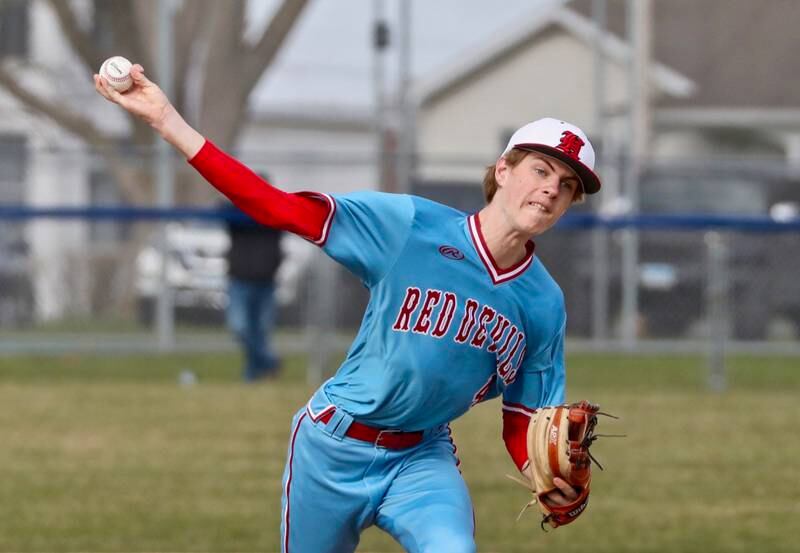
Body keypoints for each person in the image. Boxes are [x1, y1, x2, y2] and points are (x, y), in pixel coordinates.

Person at [95, 64, 602, 553]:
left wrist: (550, 479)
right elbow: (275, 206)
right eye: (541, 170)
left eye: (567, 186)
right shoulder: (409, 225)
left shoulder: (543, 302)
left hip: (421, 457)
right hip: (331, 446)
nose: (551, 189)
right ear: (503, 169)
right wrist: (166, 120)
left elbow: (526, 419)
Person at [222, 198, 283, 381]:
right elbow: (222, 210)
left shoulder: (275, 212)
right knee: (240, 327)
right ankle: (269, 361)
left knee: (261, 330)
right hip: (240, 280)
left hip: (266, 281)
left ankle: (251, 374)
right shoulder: (236, 210)